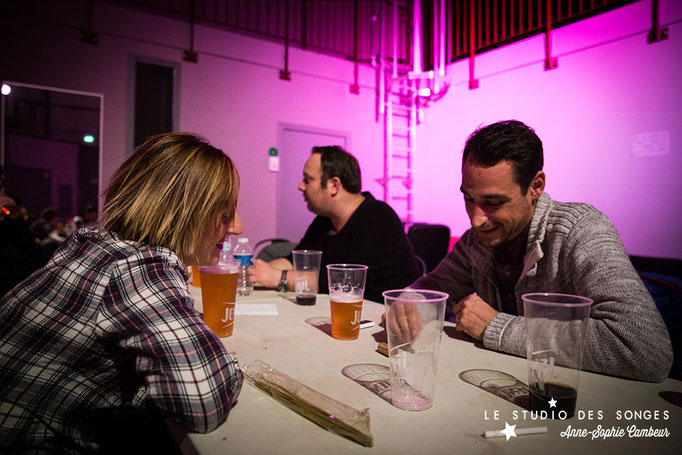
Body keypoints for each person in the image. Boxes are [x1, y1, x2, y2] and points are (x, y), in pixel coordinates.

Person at [0, 133, 244, 452]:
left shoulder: (90, 242)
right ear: (185, 211)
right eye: (225, 213)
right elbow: (203, 402)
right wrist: (230, 366)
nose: (237, 226)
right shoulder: (142, 266)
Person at [391, 120, 673, 382]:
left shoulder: (581, 230)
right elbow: (430, 288)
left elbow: (644, 349)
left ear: (535, 186)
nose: (476, 219)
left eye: (493, 202)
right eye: (468, 198)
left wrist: (495, 327)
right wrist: (409, 303)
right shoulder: (474, 242)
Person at [252, 146, 419, 303]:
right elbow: (296, 261)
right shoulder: (325, 220)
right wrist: (256, 271)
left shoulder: (377, 217)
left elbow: (350, 282)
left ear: (334, 185)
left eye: (308, 180)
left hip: (383, 319)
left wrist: (278, 277)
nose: (300, 186)